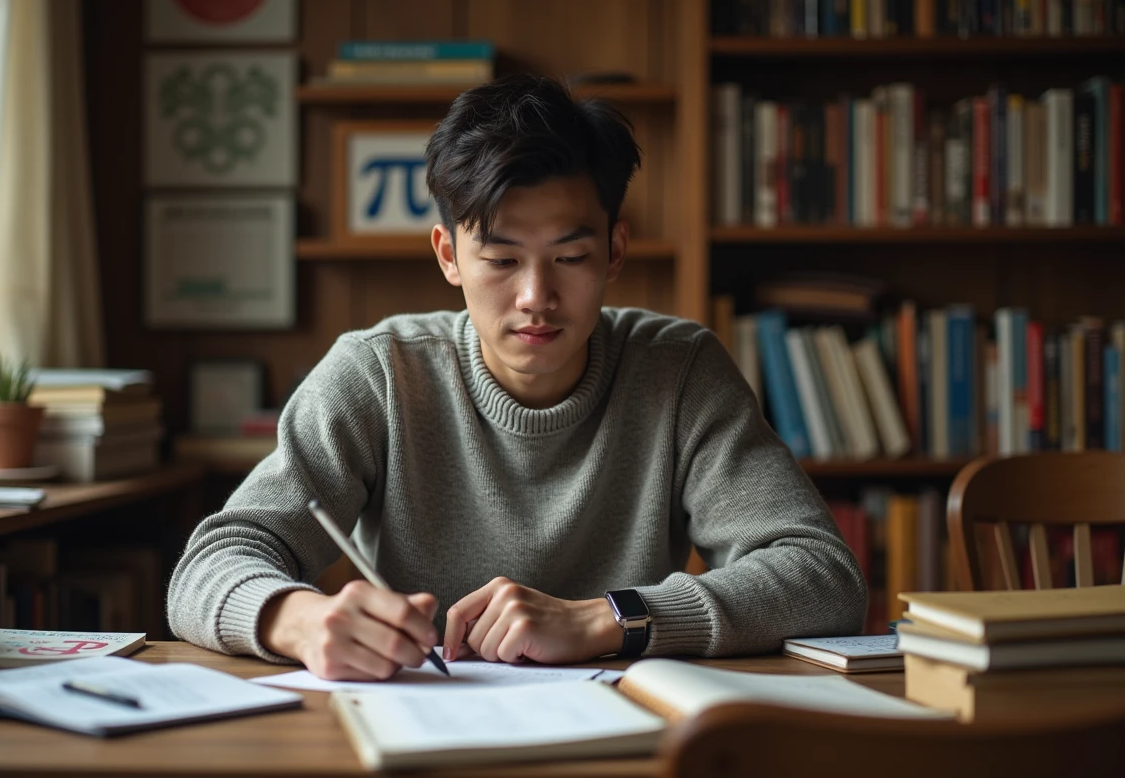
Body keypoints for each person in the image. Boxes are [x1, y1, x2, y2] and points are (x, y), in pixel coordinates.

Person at [167, 74, 866, 681]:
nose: (535, 296)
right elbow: (211, 565)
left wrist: (611, 620)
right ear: (448, 255)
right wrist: (300, 621)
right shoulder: (380, 373)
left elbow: (822, 577)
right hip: (422, 728)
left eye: (569, 256)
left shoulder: (678, 370)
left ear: (615, 250)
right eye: (501, 260)